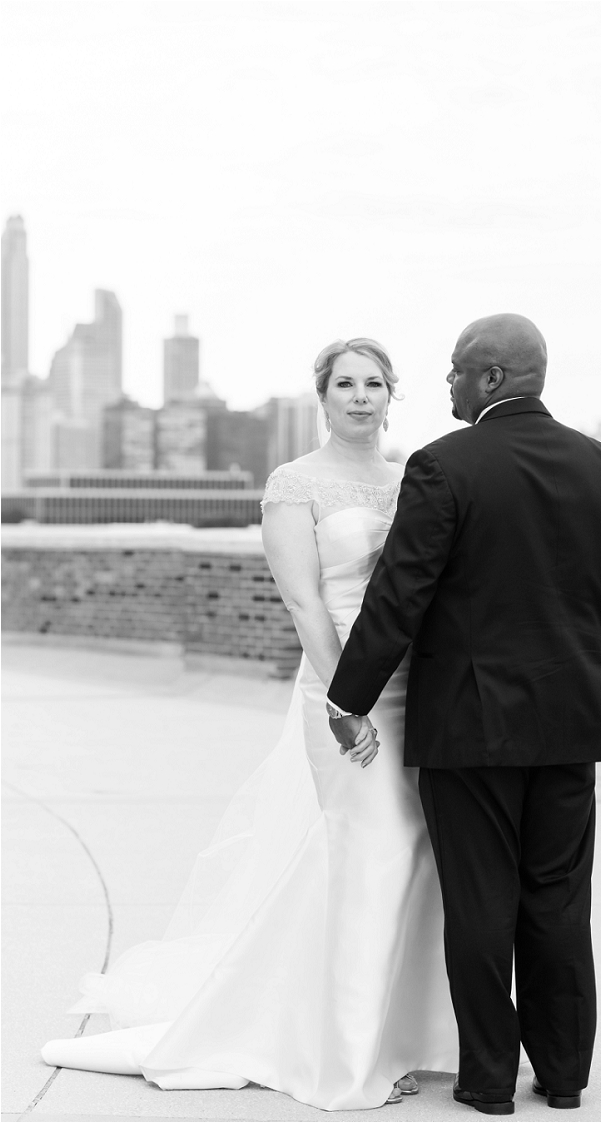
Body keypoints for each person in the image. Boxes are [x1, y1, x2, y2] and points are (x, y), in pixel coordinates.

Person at [41, 338, 460, 1109]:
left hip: (413, 689)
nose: (361, 396)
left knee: (418, 859)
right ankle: (345, 1057)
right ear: (323, 396)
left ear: (392, 394)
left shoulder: (413, 479)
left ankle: (405, 1039)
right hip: (338, 686)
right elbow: (304, 601)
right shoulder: (294, 483)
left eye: (374, 384)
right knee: (372, 854)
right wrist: (345, 699)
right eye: (345, 384)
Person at [324, 313, 601, 1116]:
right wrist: (600, 708)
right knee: (561, 901)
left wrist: (347, 695)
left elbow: (402, 594)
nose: (450, 383)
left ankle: (489, 1081)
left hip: (470, 728)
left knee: (480, 903)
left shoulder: (444, 465)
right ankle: (565, 1076)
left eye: (460, 370)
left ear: (493, 378)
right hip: (571, 724)